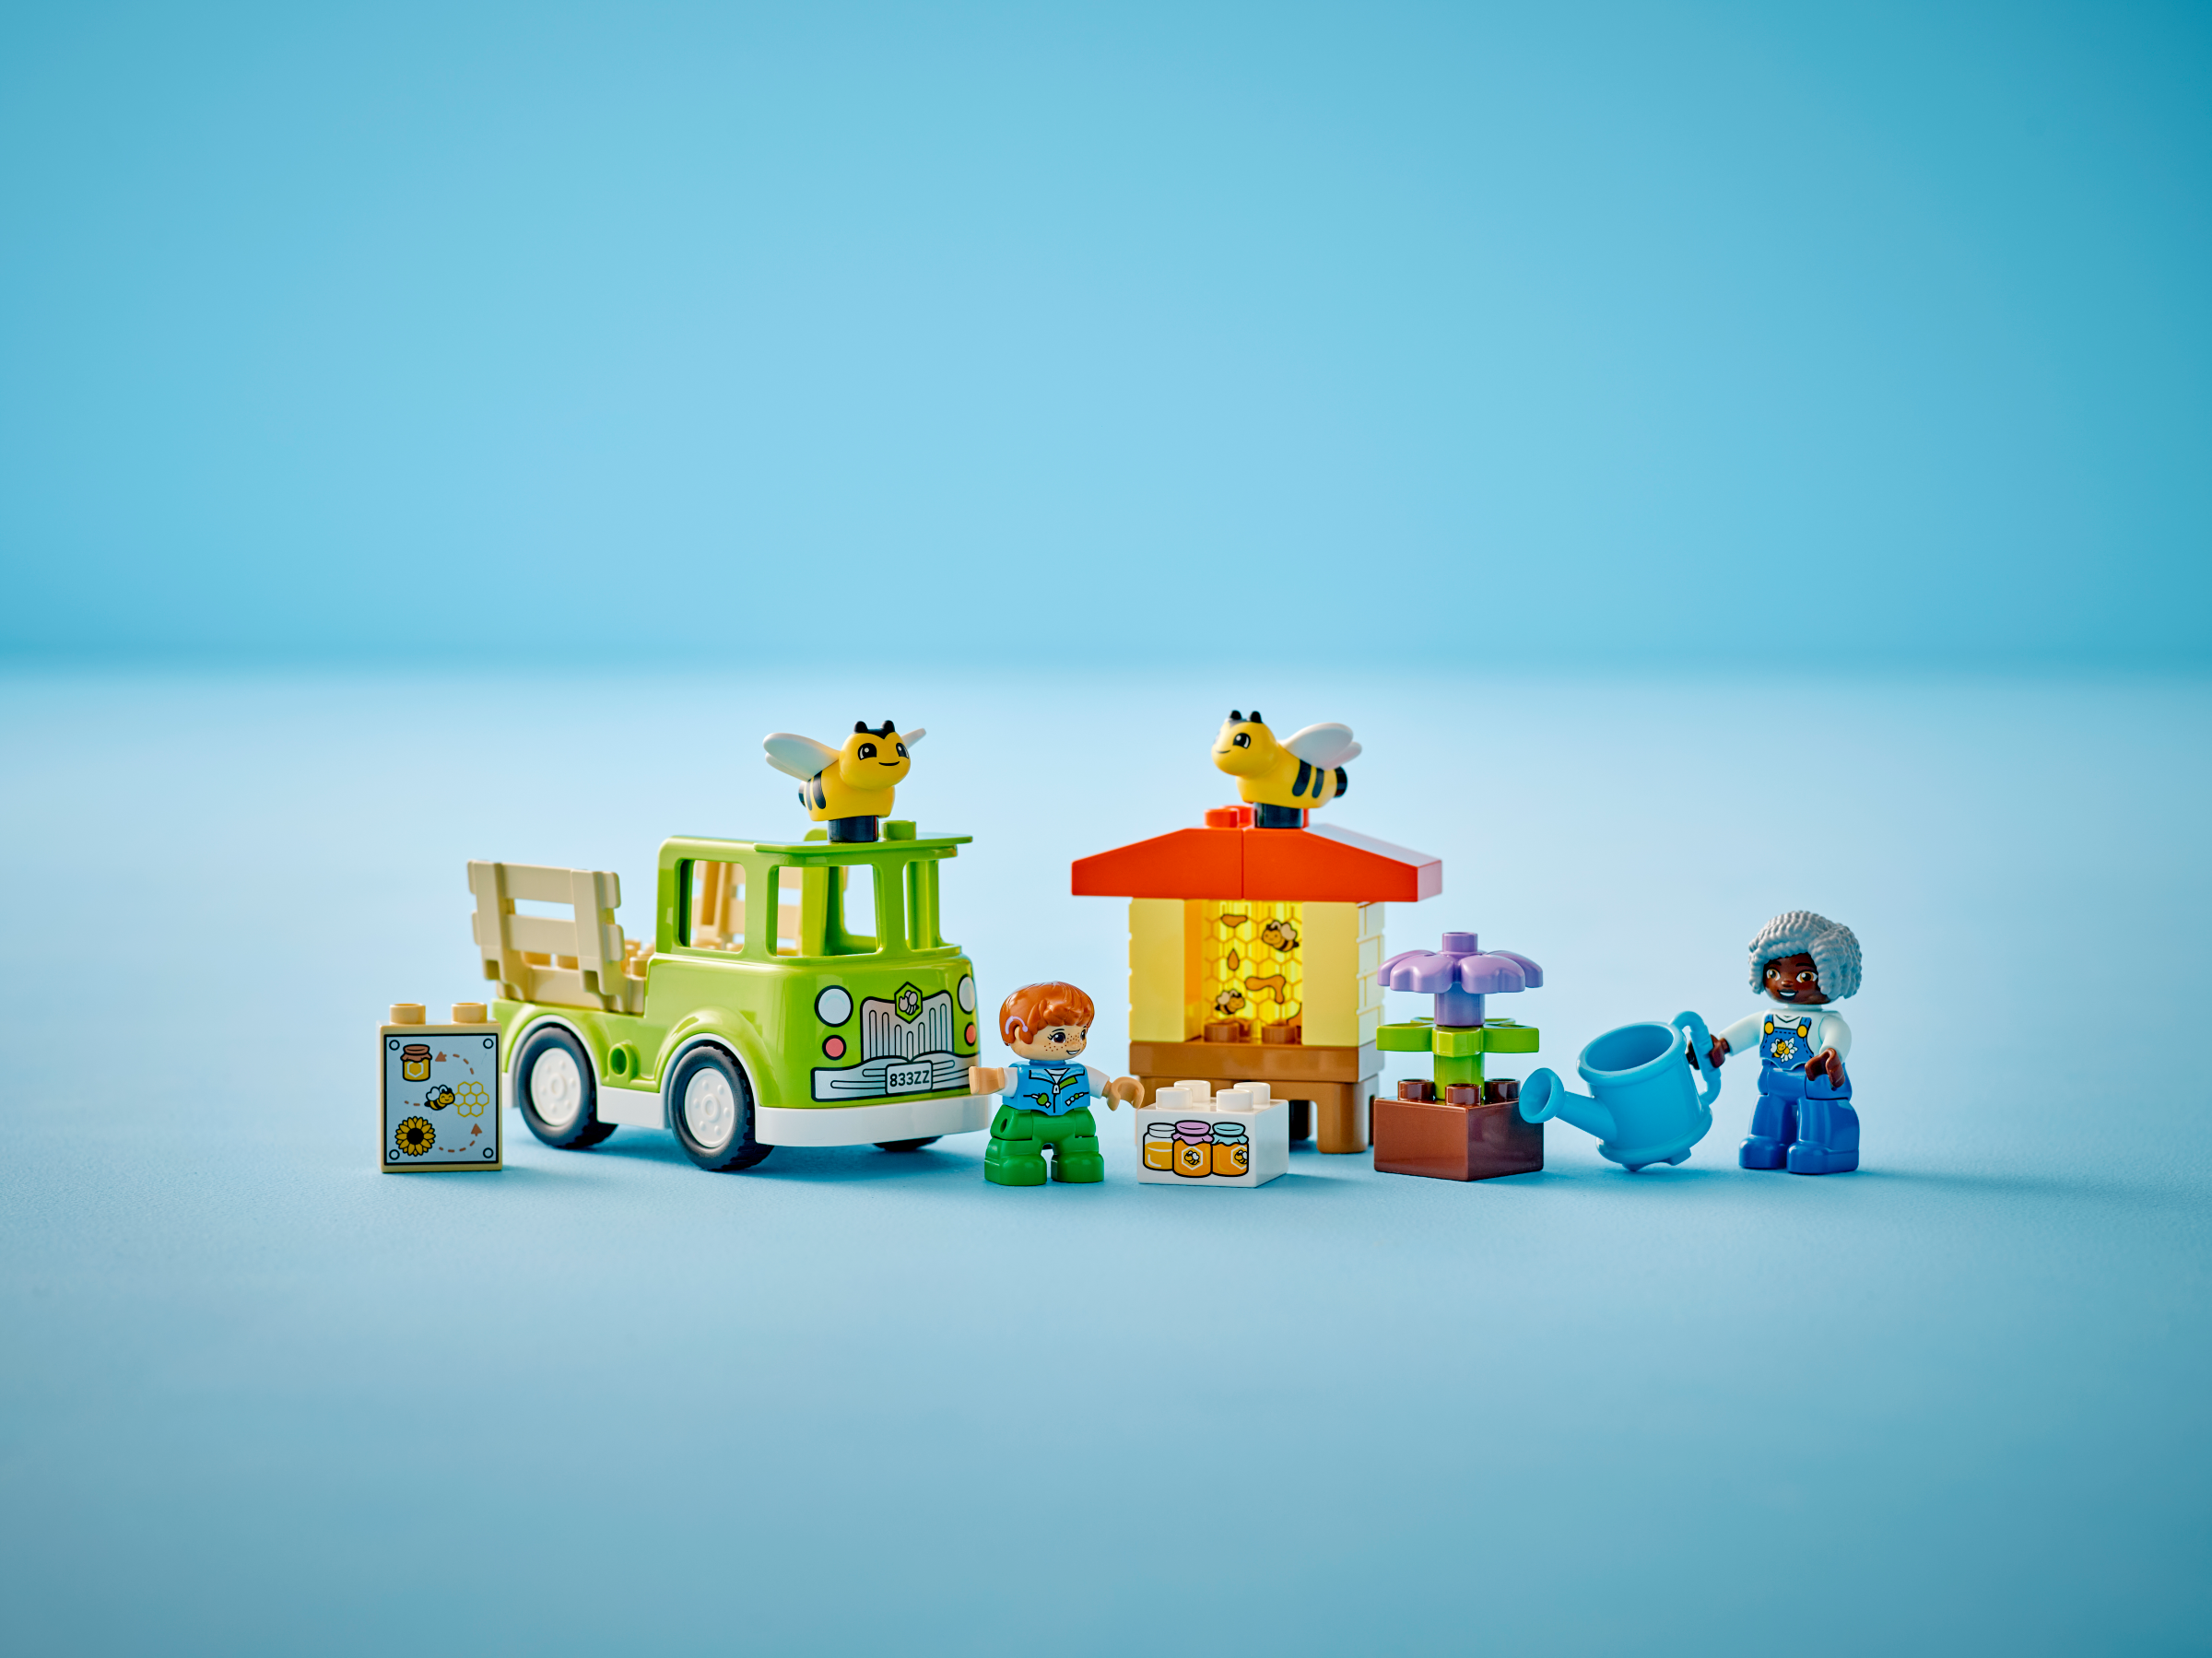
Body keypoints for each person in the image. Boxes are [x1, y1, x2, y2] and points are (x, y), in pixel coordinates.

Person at [1703, 911, 1864, 1175]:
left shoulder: (1827, 1021)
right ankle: (1766, 1141)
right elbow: (1746, 1031)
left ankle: (1818, 1145)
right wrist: (1723, 1044)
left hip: (1813, 1080)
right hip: (1773, 1082)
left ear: (1831, 976)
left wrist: (1831, 1054)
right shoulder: (1767, 1017)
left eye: (1804, 976)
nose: (1786, 981)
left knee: (1815, 1111)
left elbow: (1839, 1035)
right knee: (1769, 1108)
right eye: (1774, 972)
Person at [969, 982, 1141, 1186]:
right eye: (1059, 1037)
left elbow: (1103, 1087)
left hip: (1073, 1122)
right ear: (1017, 1032)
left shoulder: (1080, 1072)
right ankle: (1018, 1160)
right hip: (1027, 1123)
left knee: (1081, 1152)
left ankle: (1077, 1158)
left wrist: (1114, 1090)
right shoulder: (1020, 1074)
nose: (1075, 1043)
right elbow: (1000, 1080)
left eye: (1082, 1034)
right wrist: (987, 1080)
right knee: (1020, 1154)